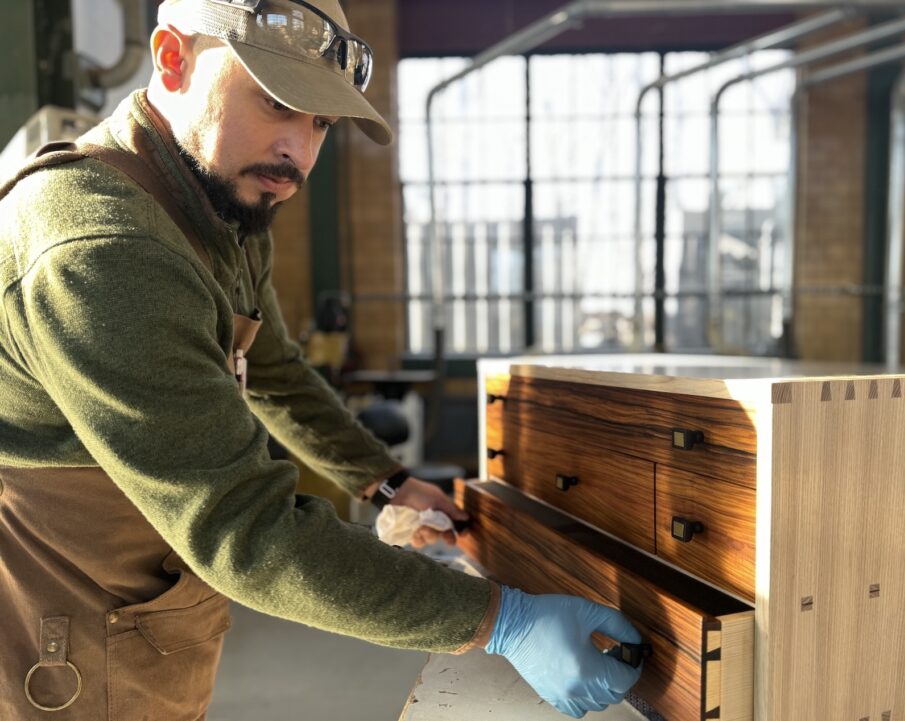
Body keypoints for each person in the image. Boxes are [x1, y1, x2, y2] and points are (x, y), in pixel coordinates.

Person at [0, 0, 643, 718]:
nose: (300, 156)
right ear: (173, 59)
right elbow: (248, 531)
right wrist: (500, 619)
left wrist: (385, 481)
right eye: (280, 104)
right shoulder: (102, 251)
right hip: (62, 649)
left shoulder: (219, 205)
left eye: (322, 125)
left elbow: (271, 366)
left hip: (146, 617)